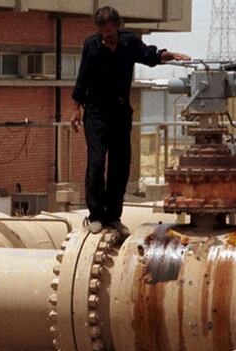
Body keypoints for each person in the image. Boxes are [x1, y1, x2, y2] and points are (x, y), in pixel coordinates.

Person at [71, 6, 189, 235]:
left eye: (110, 32)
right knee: (96, 163)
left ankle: (113, 216)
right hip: (95, 112)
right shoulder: (92, 46)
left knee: (120, 164)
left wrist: (171, 55)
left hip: (120, 111)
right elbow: (82, 78)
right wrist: (76, 109)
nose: (107, 37)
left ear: (118, 26)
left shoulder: (128, 42)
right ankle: (96, 214)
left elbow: (150, 55)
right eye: (103, 33)